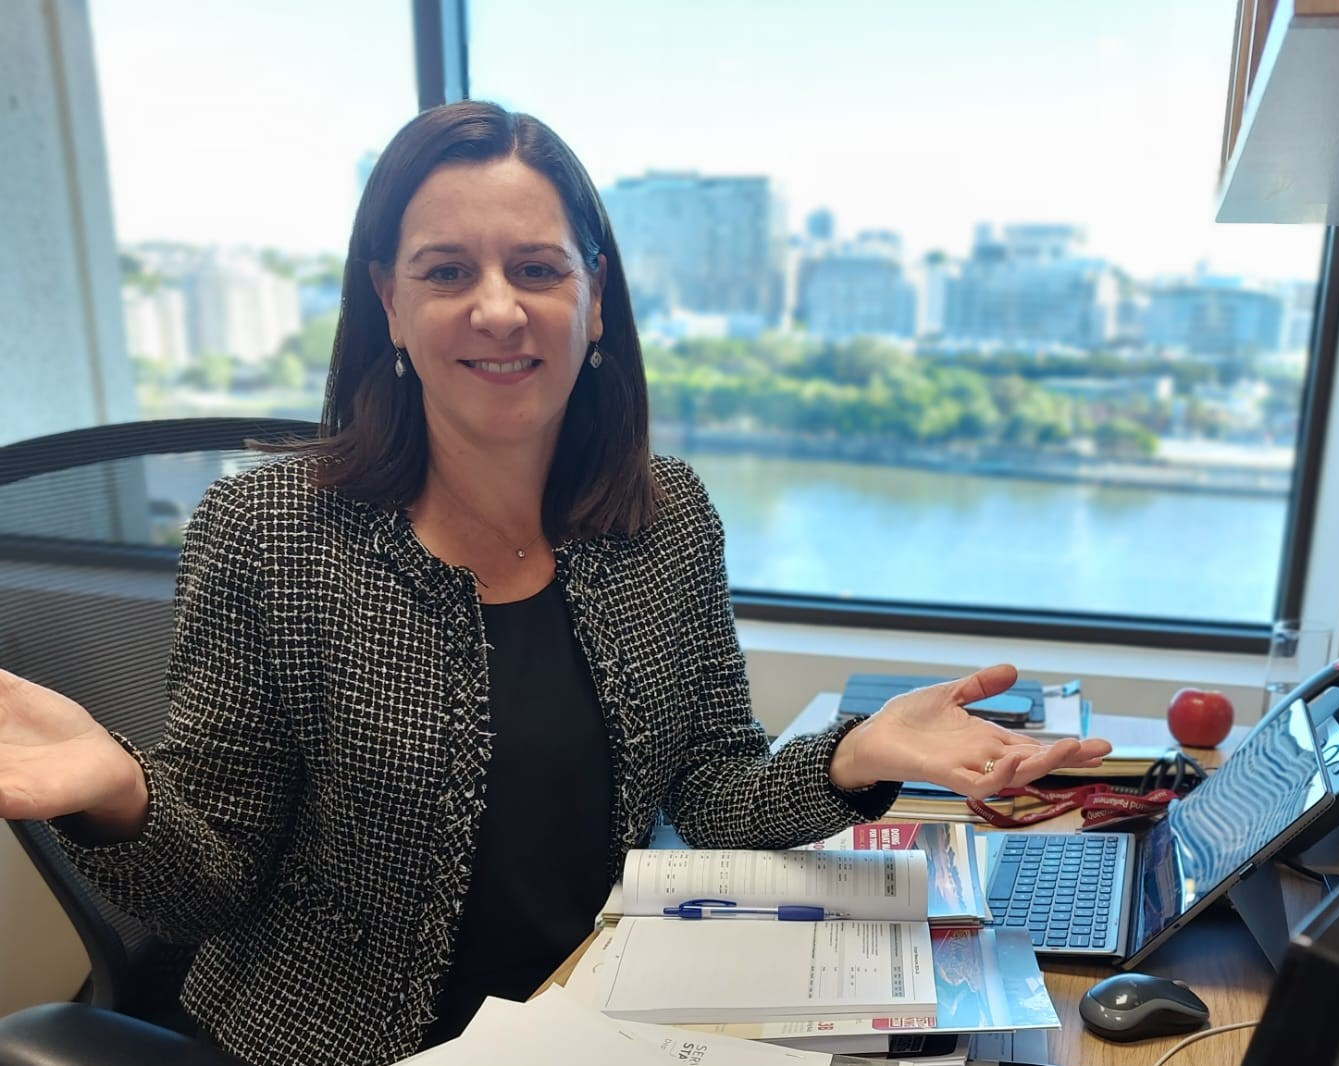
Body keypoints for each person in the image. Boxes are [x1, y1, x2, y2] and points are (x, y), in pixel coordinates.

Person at [0, 101, 1110, 1066]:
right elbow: (211, 884)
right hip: (330, 1046)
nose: (498, 308)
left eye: (537, 268)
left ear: (593, 294)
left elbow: (712, 793)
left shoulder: (667, 516)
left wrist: (857, 755)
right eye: (446, 271)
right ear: (389, 301)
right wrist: (119, 793)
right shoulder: (270, 532)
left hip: (592, 1013)